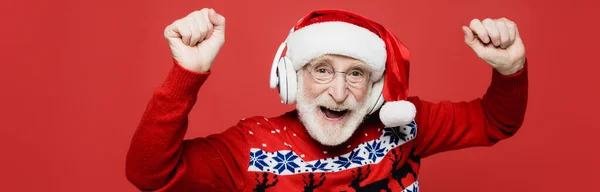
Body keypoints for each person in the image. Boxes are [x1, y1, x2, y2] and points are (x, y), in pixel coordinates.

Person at [125, 8, 528, 192]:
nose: (338, 93)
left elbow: (496, 121)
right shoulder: (250, 148)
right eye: (321, 70)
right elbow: (149, 175)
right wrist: (186, 75)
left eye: (355, 74)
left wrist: (511, 69)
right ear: (290, 78)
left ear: (375, 89)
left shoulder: (404, 125)